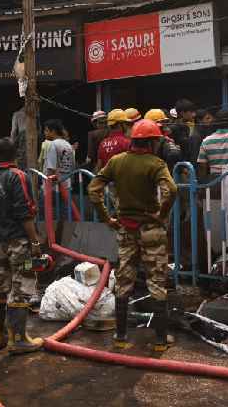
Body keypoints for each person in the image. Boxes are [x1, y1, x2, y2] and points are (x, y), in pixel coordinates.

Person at [88, 119, 178, 351]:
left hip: (126, 229)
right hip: (150, 229)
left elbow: (94, 189)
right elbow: (172, 191)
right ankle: (159, 341)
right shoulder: (156, 164)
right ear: (151, 142)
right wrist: (161, 214)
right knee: (157, 281)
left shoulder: (117, 162)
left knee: (124, 281)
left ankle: (120, 337)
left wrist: (106, 217)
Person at [0, 138, 45, 354]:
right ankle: (18, 339)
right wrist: (35, 242)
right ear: (15, 154)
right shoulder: (18, 176)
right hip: (19, 243)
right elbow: (25, 213)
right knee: (23, 284)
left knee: (0, 285)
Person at [43, 119, 76, 244]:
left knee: (50, 217)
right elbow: (73, 167)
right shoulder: (68, 145)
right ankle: (65, 242)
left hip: (54, 188)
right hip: (66, 186)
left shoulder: (52, 145)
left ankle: (51, 242)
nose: (45, 133)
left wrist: (47, 188)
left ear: (52, 131)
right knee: (65, 216)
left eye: (46, 130)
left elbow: (50, 168)